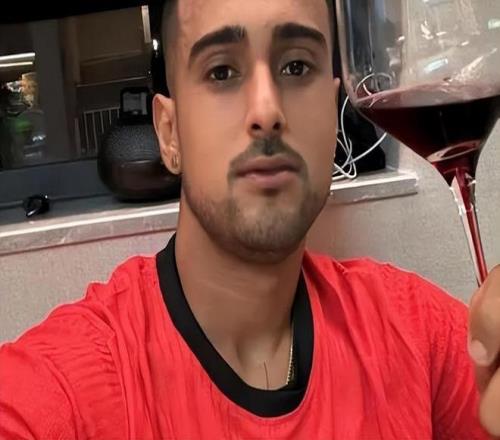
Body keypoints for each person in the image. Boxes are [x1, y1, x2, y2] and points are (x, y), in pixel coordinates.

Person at [1, 0, 499, 438]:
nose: (267, 110)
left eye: (297, 66)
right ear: (169, 134)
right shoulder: (71, 388)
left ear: (332, 113)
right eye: (221, 72)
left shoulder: (416, 336)